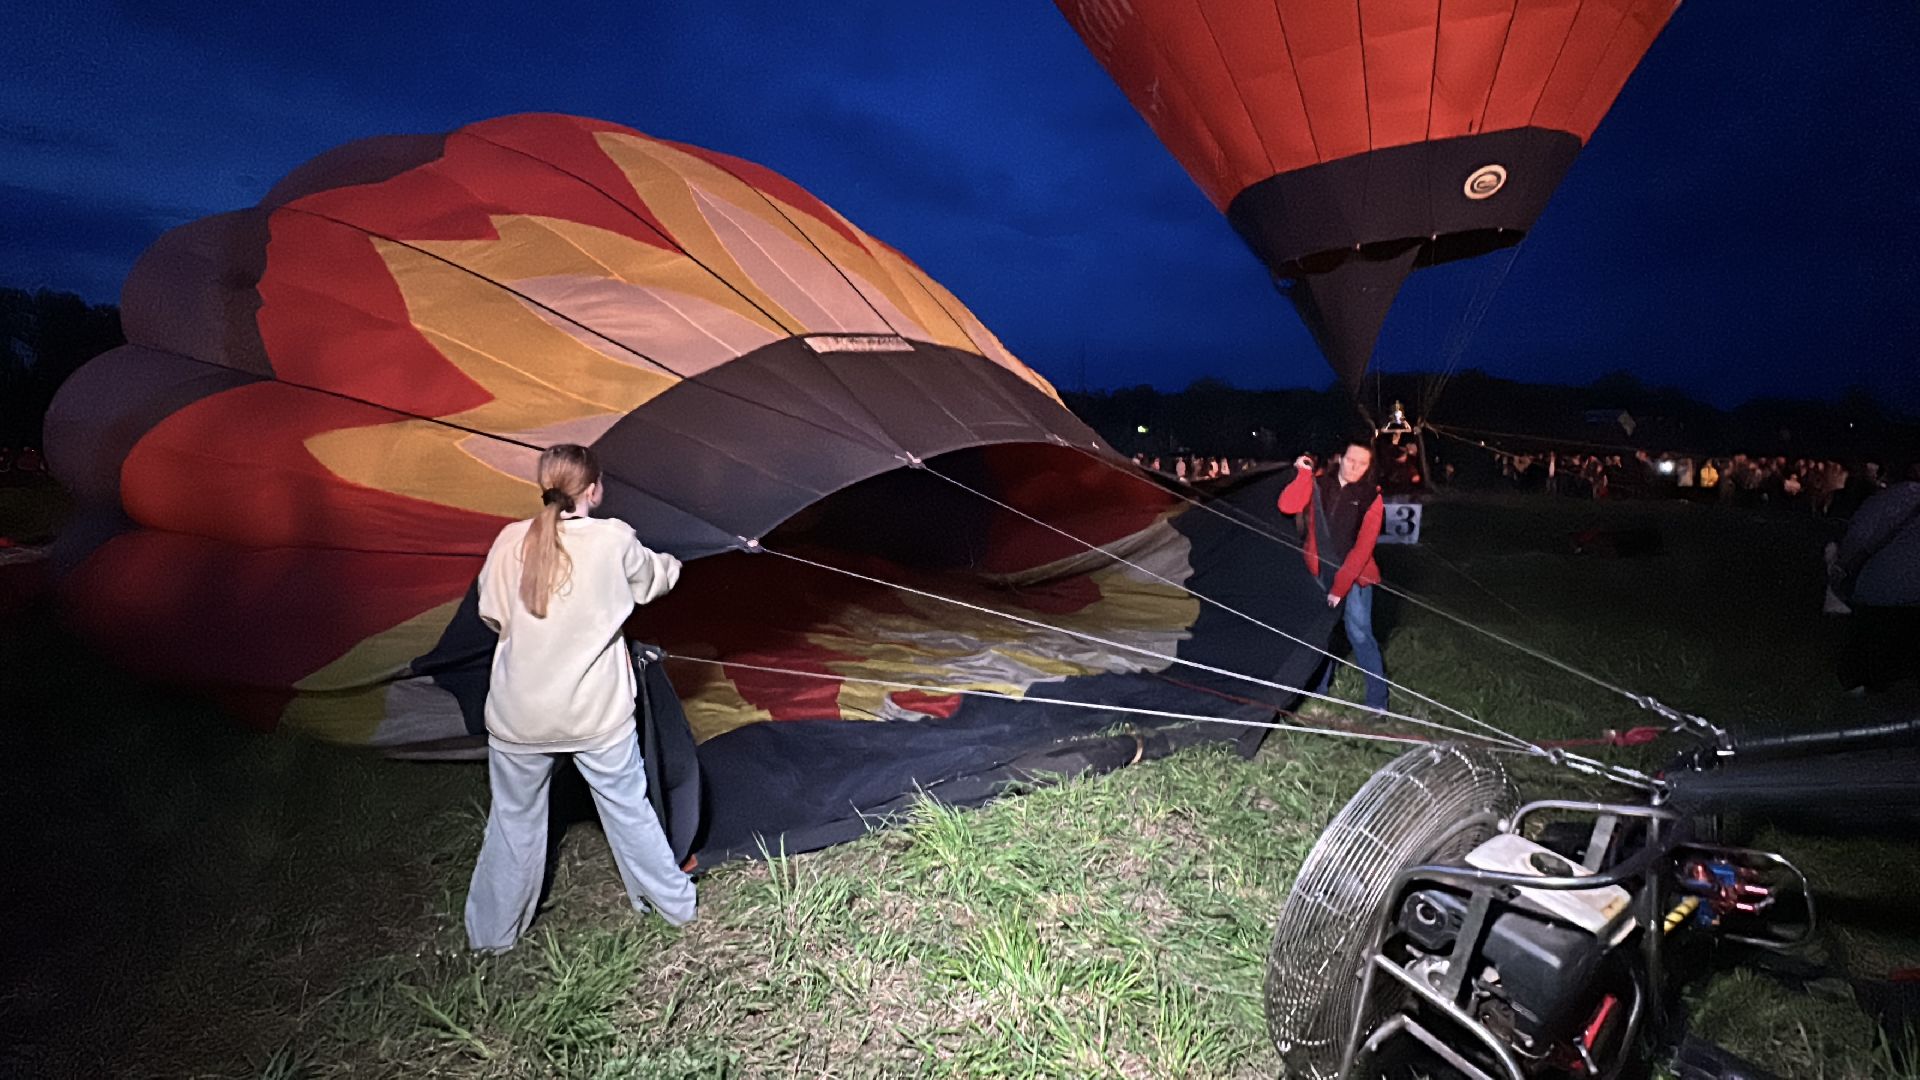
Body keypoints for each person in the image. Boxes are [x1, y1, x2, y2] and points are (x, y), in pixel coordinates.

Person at [466, 443, 697, 951]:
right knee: (627, 810)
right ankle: (675, 907)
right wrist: (676, 561)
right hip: (596, 716)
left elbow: (492, 614)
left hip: (517, 717)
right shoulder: (614, 539)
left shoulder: (508, 541)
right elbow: (655, 579)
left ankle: (490, 937)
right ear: (594, 489)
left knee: (512, 824)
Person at [1278, 439, 1389, 711]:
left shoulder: (1372, 497)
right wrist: (1303, 474)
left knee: (1360, 635)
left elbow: (1363, 548)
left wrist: (1339, 589)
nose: (1355, 467)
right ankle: (1319, 690)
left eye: (1362, 463)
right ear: (1341, 457)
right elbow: (1287, 506)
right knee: (1320, 635)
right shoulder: (1320, 484)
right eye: (1351, 459)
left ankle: (1378, 703)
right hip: (1318, 572)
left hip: (1355, 579)